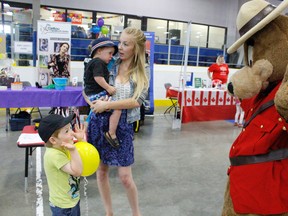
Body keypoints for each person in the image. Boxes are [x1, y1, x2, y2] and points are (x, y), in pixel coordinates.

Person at [84, 27, 149, 216]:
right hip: (100, 123)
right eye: (120, 42)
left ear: (136, 49)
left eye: (125, 44)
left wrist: (108, 105)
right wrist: (94, 103)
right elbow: (86, 86)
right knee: (102, 171)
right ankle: (108, 212)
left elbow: (137, 101)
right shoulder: (108, 62)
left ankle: (136, 213)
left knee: (125, 177)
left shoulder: (143, 71)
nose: (119, 47)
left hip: (123, 126)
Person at [38, 114, 85, 216]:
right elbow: (77, 171)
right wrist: (73, 150)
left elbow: (83, 158)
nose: (72, 133)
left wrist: (81, 141)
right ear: (53, 140)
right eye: (67, 131)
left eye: (71, 128)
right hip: (63, 207)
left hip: (72, 200)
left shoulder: (63, 147)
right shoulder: (54, 155)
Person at [83, 37, 121, 148]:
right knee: (117, 107)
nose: (111, 56)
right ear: (99, 51)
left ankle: (85, 132)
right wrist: (109, 88)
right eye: (109, 53)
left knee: (92, 114)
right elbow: (98, 78)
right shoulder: (98, 62)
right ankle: (111, 133)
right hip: (97, 94)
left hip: (91, 94)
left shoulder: (91, 63)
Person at [48, 42, 71, 116]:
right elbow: (49, 65)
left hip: (63, 78)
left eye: (66, 48)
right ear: (60, 47)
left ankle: (63, 111)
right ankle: (54, 110)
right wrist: (50, 65)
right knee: (55, 94)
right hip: (56, 77)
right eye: (64, 46)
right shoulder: (54, 56)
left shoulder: (67, 57)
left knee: (63, 94)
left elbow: (68, 67)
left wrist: (69, 76)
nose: (65, 48)